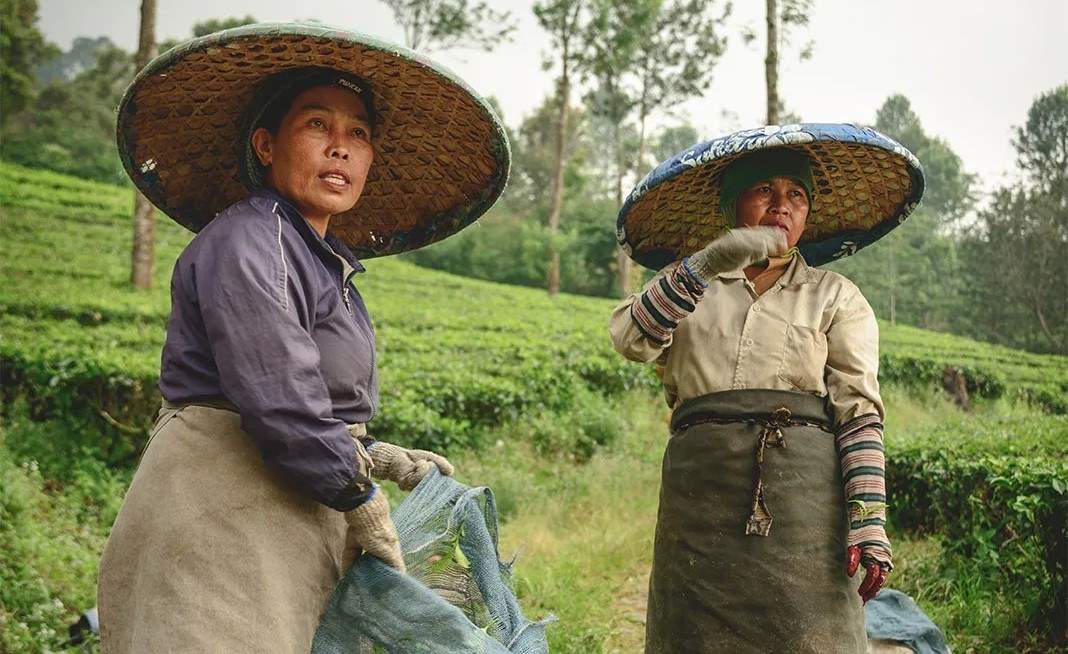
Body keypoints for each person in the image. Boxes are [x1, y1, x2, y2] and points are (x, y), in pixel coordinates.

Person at [98, 23, 509, 653]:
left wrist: (380, 457)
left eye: (359, 135)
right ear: (266, 144)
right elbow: (279, 396)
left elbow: (314, 403)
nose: (340, 148)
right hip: (220, 516)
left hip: (287, 514)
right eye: (318, 125)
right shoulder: (249, 238)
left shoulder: (325, 262)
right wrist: (359, 493)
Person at [610, 125, 925, 653]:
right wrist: (708, 262)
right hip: (700, 495)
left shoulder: (834, 297)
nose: (782, 206)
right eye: (764, 191)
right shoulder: (689, 281)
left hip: (804, 499)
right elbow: (631, 338)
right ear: (735, 203)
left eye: (795, 195)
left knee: (808, 633)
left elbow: (859, 415)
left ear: (807, 213)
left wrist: (869, 520)